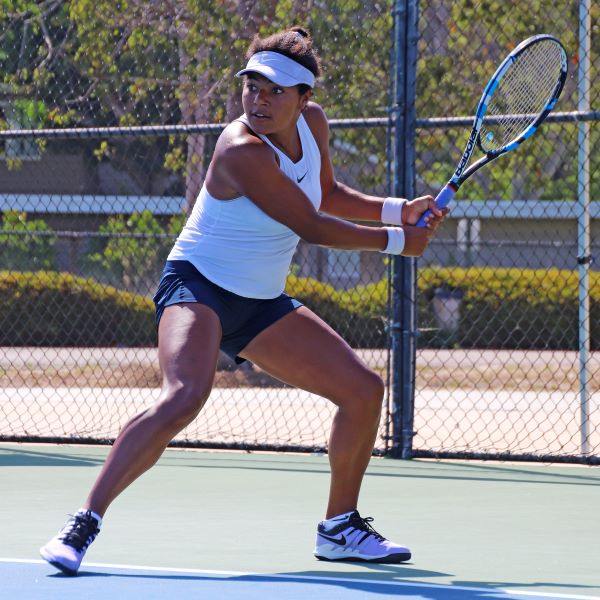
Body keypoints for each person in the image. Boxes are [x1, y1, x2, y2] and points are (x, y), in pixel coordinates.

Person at [40, 26, 447, 575]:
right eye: (251, 86)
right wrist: (400, 242)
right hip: (198, 286)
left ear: (305, 98)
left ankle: (339, 527)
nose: (258, 99)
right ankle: (83, 522)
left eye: (275, 91)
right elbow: (309, 223)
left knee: (363, 391)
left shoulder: (314, 125)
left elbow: (324, 193)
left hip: (260, 302)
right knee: (184, 396)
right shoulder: (240, 149)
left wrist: (399, 209)